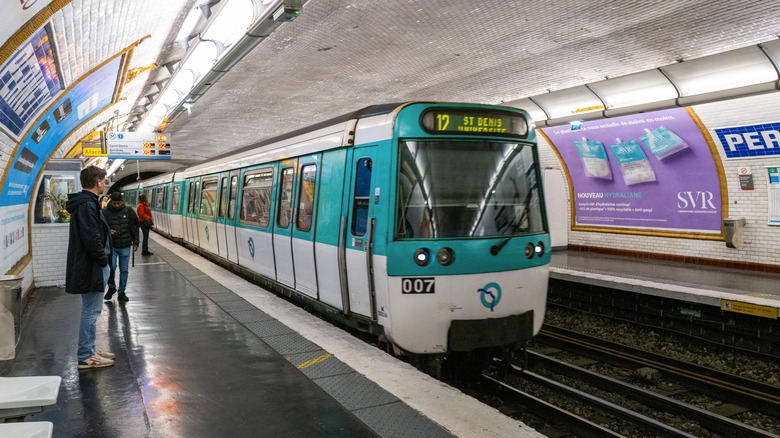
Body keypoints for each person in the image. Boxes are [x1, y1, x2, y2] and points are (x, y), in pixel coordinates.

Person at [65, 165, 115, 369]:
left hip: (91, 263)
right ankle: (86, 355)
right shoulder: (87, 205)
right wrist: (103, 259)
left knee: (91, 310)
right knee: (91, 311)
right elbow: (91, 237)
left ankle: (90, 349)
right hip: (92, 265)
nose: (105, 183)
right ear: (98, 182)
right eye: (104, 180)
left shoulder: (87, 203)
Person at [103, 192, 139, 303]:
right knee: (111, 267)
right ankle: (112, 287)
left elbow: (135, 227)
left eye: (119, 203)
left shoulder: (129, 212)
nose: (117, 205)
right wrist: (108, 231)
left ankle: (121, 292)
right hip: (112, 246)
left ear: (122, 201)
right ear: (111, 202)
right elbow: (100, 227)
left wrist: (136, 242)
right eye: (114, 203)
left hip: (125, 245)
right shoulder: (105, 213)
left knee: (124, 270)